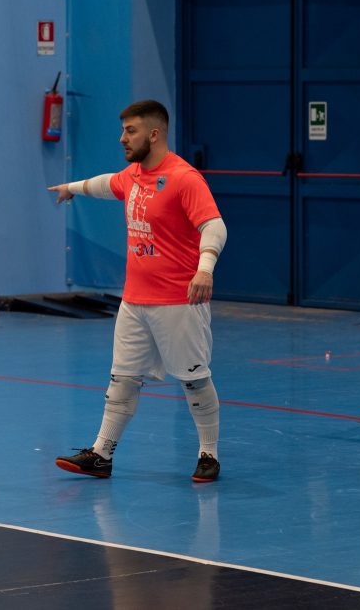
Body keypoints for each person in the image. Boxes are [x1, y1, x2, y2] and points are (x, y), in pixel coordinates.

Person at [48, 99, 227, 482]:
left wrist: (205, 269)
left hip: (179, 300)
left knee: (194, 379)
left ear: (154, 133)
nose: (122, 138)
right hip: (134, 301)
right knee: (122, 378)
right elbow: (106, 183)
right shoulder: (133, 176)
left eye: (130, 131)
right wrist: (72, 188)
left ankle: (208, 454)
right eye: (123, 130)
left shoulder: (184, 178)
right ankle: (101, 454)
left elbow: (214, 226)